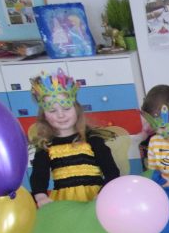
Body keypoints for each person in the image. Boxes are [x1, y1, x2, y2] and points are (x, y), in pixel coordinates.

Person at [29, 69, 119, 207]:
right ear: (44, 116)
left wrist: (103, 194)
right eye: (52, 110)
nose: (61, 115)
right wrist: (40, 197)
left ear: (76, 109)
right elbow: (38, 176)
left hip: (96, 200)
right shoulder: (46, 145)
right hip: (64, 205)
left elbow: (112, 172)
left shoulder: (93, 139)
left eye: (66, 108)